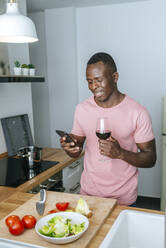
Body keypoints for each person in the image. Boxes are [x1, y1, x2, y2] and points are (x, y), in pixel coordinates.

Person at [60, 52, 157, 206]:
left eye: (99, 80)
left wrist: (120, 153)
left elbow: (150, 158)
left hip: (123, 200)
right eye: (89, 81)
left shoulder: (138, 112)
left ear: (115, 77)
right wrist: (70, 148)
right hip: (88, 196)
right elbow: (76, 150)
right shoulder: (81, 109)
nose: (93, 87)